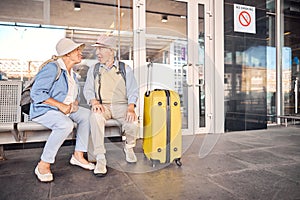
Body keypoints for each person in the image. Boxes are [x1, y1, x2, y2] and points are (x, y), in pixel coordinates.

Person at [31, 38, 95, 182]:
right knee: (65, 125)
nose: (80, 52)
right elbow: (36, 93)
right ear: (67, 54)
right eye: (77, 50)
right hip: (45, 109)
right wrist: (61, 106)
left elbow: (73, 96)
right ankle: (43, 164)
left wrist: (75, 104)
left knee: (87, 115)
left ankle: (78, 156)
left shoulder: (72, 73)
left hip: (65, 110)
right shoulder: (53, 68)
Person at [84, 34, 139, 176]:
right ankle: (100, 157)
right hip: (103, 106)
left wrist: (131, 107)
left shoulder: (124, 68)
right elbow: (88, 89)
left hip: (122, 106)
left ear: (111, 51)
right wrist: (94, 101)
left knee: (133, 123)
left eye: (101, 49)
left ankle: (129, 147)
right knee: (95, 117)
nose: (98, 53)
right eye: (97, 49)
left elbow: (133, 90)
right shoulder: (94, 69)